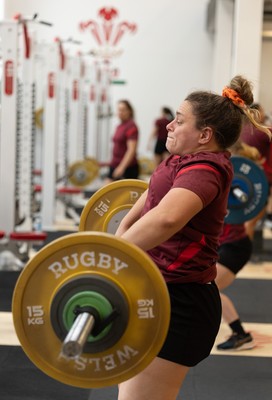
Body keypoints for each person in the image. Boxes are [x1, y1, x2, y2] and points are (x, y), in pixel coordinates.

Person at [115, 76, 271, 400]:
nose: (169, 126)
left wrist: (112, 252)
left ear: (204, 135)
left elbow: (167, 218)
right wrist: (117, 243)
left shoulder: (206, 169)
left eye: (179, 120)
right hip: (159, 292)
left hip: (182, 305)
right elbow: (149, 197)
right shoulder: (179, 161)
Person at [215, 141, 261, 351]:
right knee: (205, 288)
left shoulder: (237, 187)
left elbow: (256, 204)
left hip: (235, 246)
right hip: (226, 244)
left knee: (209, 288)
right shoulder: (226, 181)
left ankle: (240, 334)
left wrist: (250, 226)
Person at [240, 103, 272, 239]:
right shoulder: (261, 131)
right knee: (250, 222)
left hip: (243, 176)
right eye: (262, 112)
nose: (264, 115)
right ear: (256, 113)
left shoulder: (241, 130)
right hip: (260, 176)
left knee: (247, 220)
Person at [105, 100, 139, 183]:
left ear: (129, 111)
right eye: (119, 110)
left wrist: (122, 167)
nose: (120, 112)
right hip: (114, 164)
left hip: (127, 168)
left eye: (123, 110)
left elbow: (131, 150)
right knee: (106, 192)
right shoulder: (119, 126)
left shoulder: (131, 126)